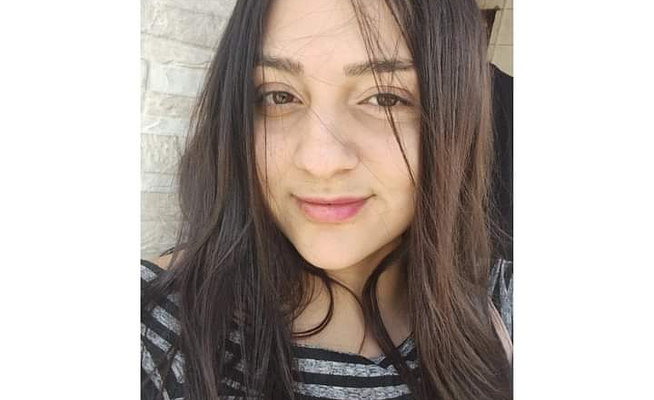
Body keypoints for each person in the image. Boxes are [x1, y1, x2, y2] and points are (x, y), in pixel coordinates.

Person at [141, 0, 513, 399]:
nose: (320, 162)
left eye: (385, 98)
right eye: (278, 96)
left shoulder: (504, 305)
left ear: (457, 118)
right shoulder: (153, 329)